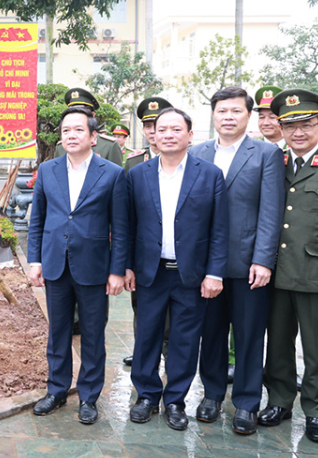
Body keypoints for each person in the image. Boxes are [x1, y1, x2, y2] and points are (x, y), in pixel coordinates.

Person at [259, 89, 318, 444]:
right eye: (290, 126)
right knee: (278, 345)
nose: (298, 133)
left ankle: (316, 412)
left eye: (306, 125)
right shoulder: (274, 163)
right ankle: (280, 401)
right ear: (280, 129)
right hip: (276, 272)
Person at [126, 108, 228, 431]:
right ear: (153, 135)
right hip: (150, 272)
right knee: (147, 335)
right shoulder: (137, 175)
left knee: (185, 339)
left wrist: (215, 273)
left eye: (175, 129)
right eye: (161, 129)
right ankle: (145, 395)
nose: (167, 134)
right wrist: (127, 266)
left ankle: (175, 401)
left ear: (189, 135)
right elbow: (128, 226)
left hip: (191, 275)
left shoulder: (209, 174)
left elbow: (219, 229)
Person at [190, 87, 284, 435]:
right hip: (206, 268)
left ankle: (246, 402)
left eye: (236, 111)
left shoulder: (266, 154)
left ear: (248, 116)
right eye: (222, 111)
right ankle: (212, 395)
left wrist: (264, 259)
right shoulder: (197, 152)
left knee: (248, 336)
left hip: (248, 265)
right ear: (213, 115)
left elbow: (271, 211)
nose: (228, 117)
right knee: (210, 334)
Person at [28, 106, 129, 425]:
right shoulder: (47, 170)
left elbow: (121, 226)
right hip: (56, 264)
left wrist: (116, 270)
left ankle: (89, 396)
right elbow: (37, 220)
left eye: (78, 130)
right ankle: (57, 390)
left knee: (92, 334)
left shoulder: (112, 173)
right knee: (57, 333)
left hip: (94, 267)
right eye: (66, 131)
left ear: (93, 137)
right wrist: (35, 260)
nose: (71, 136)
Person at [122, 96, 173, 367]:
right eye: (149, 126)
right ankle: (143, 349)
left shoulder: (187, 160)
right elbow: (126, 213)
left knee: (172, 312)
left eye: (159, 124)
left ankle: (168, 350)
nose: (154, 131)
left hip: (174, 250)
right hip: (144, 251)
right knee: (140, 305)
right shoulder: (133, 163)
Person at [54, 88, 123, 166]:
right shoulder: (61, 147)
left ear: (93, 115)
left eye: (82, 112)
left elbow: (115, 175)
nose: (76, 116)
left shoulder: (110, 146)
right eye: (72, 112)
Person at [124, 97, 173, 172]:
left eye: (157, 126)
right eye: (148, 126)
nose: (152, 131)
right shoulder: (133, 162)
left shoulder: (178, 159)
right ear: (143, 130)